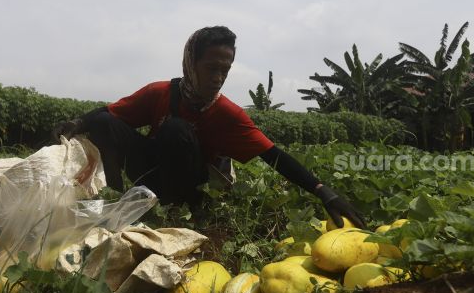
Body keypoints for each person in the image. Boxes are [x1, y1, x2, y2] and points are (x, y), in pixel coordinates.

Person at [54, 26, 365, 228]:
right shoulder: (159, 93)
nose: (218, 76)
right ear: (191, 63)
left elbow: (274, 156)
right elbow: (109, 114)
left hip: (191, 181)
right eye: (211, 68)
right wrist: (76, 124)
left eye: (224, 69)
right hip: (151, 171)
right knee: (105, 122)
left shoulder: (227, 113)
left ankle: (177, 211)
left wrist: (322, 190)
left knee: (177, 130)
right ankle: (121, 195)